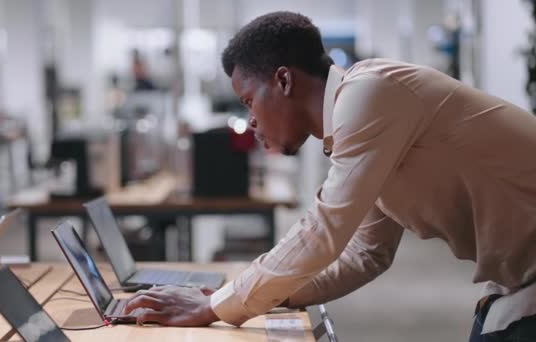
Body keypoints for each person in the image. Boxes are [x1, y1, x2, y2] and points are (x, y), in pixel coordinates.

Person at [124, 11, 536, 341]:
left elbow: (324, 230)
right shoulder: (365, 123)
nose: (250, 120)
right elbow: (365, 255)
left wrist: (217, 306)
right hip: (514, 286)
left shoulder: (369, 93)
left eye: (250, 100)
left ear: (283, 80)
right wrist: (239, 296)